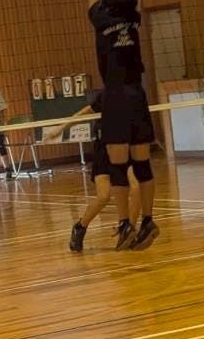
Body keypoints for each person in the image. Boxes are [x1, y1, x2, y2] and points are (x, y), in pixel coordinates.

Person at [69, 0, 158, 252]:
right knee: (143, 165)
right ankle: (147, 220)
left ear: (107, 5)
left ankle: (124, 224)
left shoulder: (100, 20)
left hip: (116, 99)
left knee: (118, 167)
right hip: (138, 95)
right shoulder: (133, 19)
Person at [46, 93, 141, 252]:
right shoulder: (105, 96)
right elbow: (84, 113)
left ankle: (127, 231)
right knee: (104, 196)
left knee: (137, 187)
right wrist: (61, 128)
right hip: (103, 151)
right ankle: (80, 227)